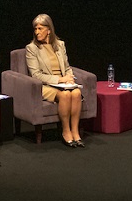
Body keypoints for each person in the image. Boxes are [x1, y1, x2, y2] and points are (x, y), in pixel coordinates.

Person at [25, 14, 86, 148]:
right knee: (64, 95)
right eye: (35, 29)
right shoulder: (32, 48)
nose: (37, 32)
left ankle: (75, 132)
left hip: (62, 83)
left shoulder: (60, 45)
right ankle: (65, 131)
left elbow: (67, 67)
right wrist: (59, 79)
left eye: (40, 28)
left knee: (76, 93)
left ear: (49, 30)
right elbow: (36, 75)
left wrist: (69, 78)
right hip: (45, 85)